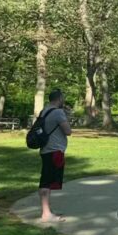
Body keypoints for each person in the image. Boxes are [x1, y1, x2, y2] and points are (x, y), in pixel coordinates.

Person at [38, 88, 72, 223]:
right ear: (59, 99)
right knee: (47, 181)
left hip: (45, 149)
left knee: (46, 179)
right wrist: (67, 119)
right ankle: (46, 214)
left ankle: (47, 211)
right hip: (55, 150)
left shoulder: (44, 111)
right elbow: (68, 131)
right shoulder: (58, 112)